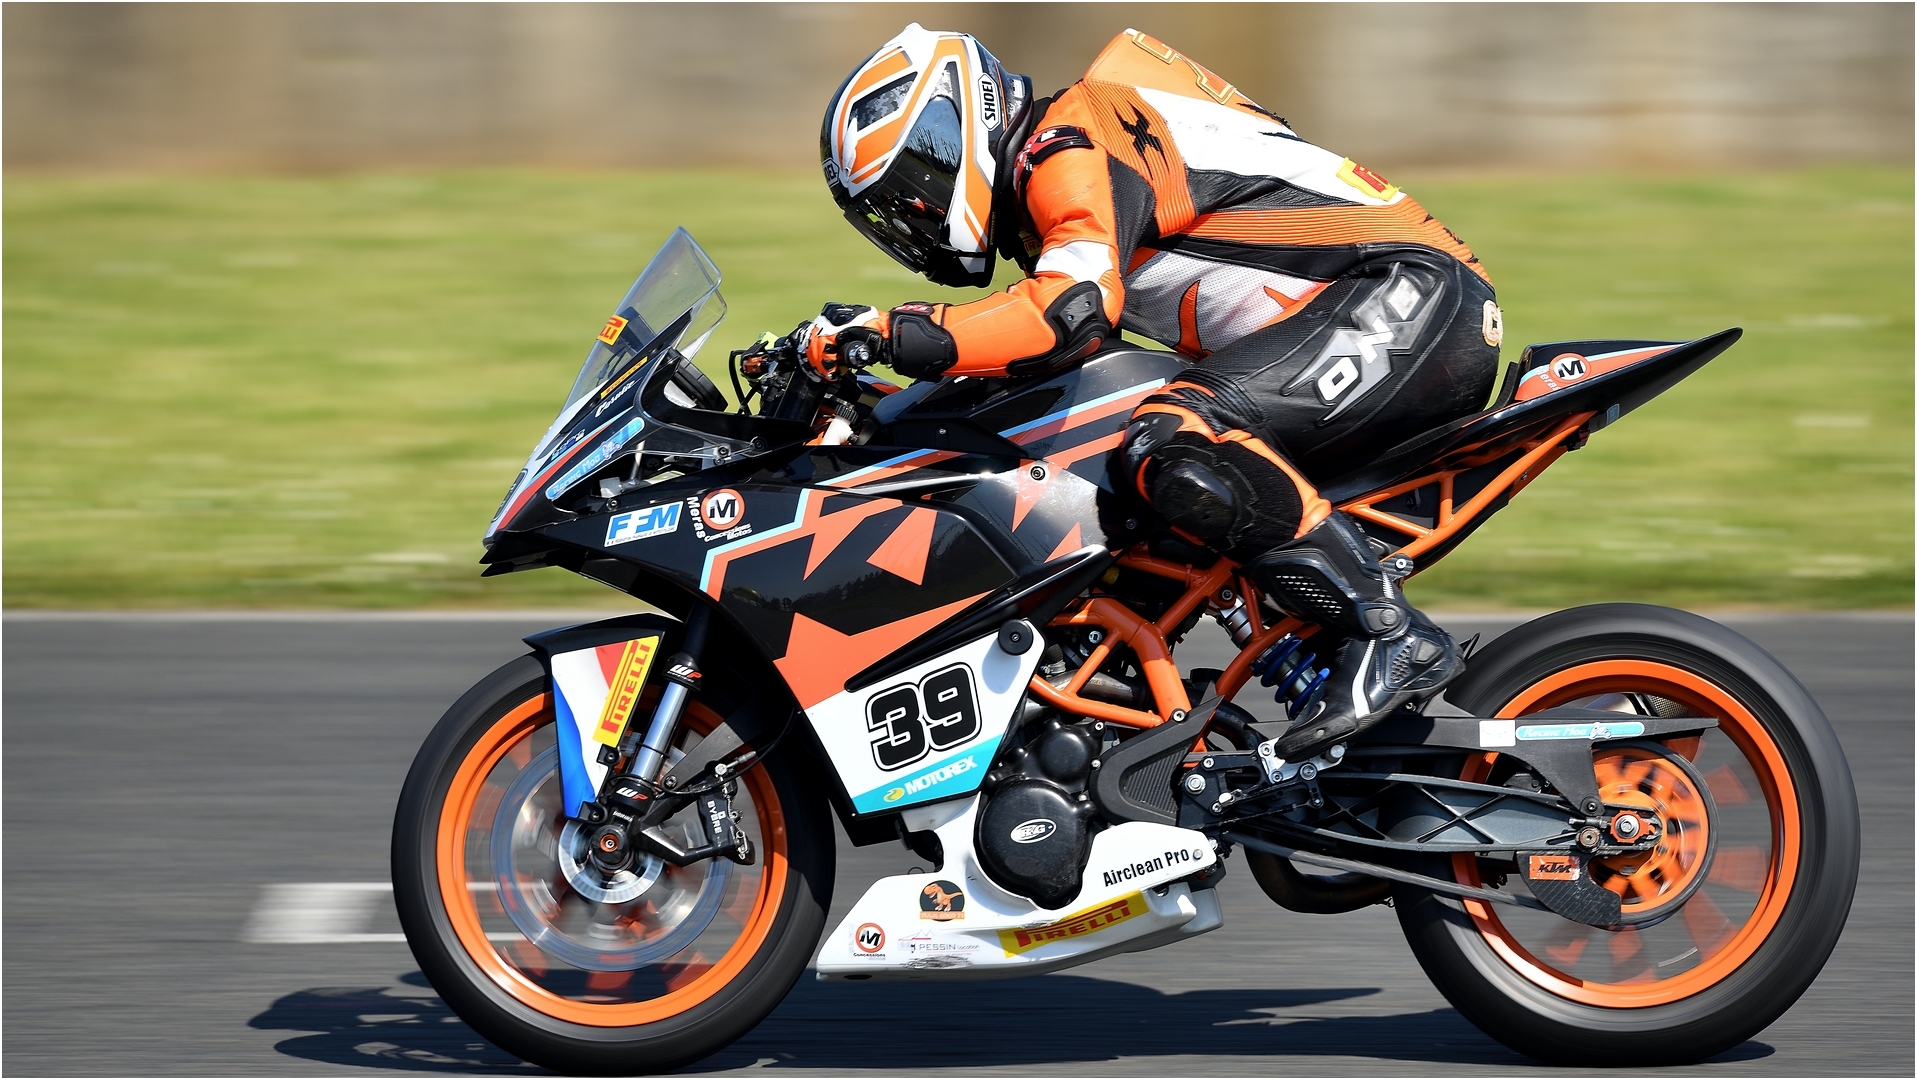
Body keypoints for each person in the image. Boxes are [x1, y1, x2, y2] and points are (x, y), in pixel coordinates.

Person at [805, 25, 1504, 760]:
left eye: (912, 189)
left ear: (956, 128)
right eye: (888, 214)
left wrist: (883, 331)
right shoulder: (1059, 175)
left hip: (1409, 296)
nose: (911, 220)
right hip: (1377, 307)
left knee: (1172, 438)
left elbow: (1063, 317)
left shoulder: (1068, 140)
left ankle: (1388, 633)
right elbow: (1039, 355)